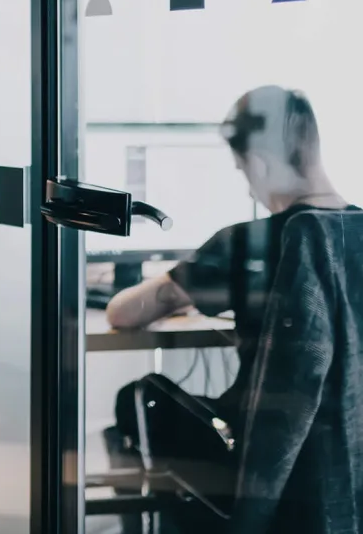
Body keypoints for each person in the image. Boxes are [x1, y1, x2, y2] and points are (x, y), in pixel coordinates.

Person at [103, 86, 356, 526]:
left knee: (139, 398)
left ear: (258, 164)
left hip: (261, 457)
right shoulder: (352, 234)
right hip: (342, 463)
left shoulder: (246, 243)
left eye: (243, 171)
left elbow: (123, 313)